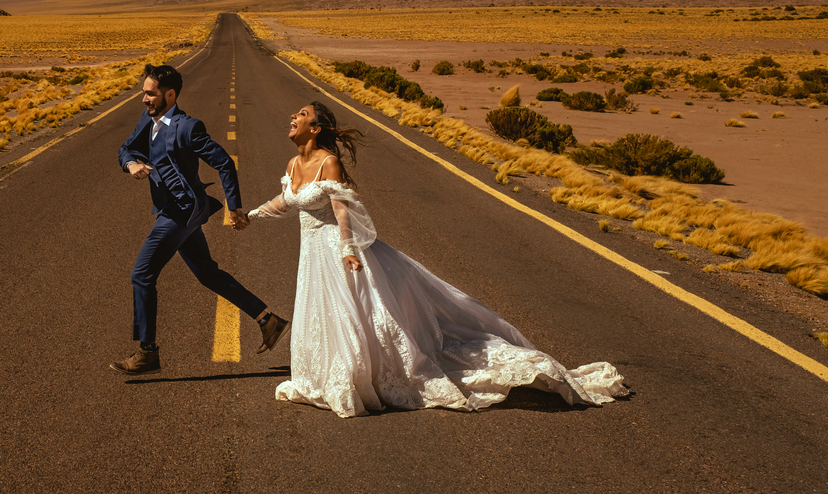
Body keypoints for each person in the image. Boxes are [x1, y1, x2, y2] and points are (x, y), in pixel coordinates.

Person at [245, 100, 627, 417]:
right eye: (296, 114)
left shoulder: (329, 162)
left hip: (334, 248)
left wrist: (348, 249)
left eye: (302, 115)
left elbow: (342, 209)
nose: (293, 117)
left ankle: (353, 379)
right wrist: (253, 215)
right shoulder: (293, 165)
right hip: (310, 254)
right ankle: (319, 376)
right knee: (320, 314)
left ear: (315, 129)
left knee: (353, 314)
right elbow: (287, 201)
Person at [111, 63, 290, 376]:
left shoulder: (187, 127)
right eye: (144, 93)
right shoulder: (148, 120)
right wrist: (131, 165)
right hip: (175, 212)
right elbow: (126, 148)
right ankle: (268, 320)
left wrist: (234, 208)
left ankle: (147, 352)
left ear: (170, 94)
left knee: (142, 274)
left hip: (182, 212)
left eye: (150, 94)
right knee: (207, 273)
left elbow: (224, 163)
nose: (144, 99)